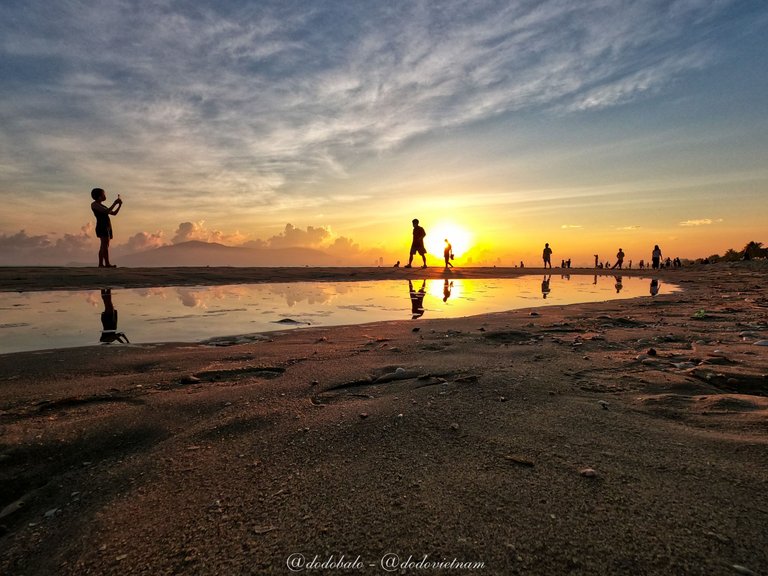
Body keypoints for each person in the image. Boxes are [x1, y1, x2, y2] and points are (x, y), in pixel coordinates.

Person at [91, 187, 123, 268]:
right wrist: (115, 203)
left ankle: (101, 264)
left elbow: (114, 213)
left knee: (104, 245)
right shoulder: (94, 204)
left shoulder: (101, 205)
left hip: (106, 226)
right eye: (104, 194)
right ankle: (107, 263)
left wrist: (119, 205)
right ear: (99, 196)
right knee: (104, 245)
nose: (105, 196)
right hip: (102, 226)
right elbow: (107, 212)